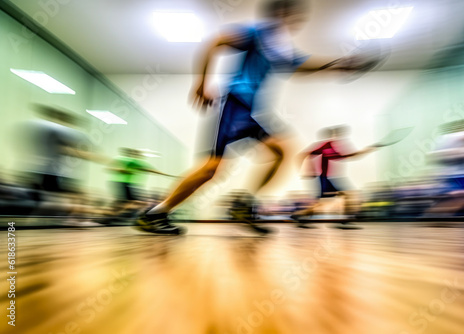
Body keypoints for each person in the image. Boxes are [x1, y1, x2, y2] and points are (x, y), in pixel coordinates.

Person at [136, 0, 378, 235]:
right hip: (236, 103)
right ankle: (156, 214)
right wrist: (201, 82)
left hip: (247, 111)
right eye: (294, 16)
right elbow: (217, 41)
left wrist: (339, 65)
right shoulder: (258, 32)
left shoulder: (278, 47)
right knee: (212, 169)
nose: (297, 21)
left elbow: (301, 65)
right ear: (281, 14)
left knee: (278, 150)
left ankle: (243, 205)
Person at [292, 125, 375, 227]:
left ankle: (299, 216)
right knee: (346, 195)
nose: (339, 135)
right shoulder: (326, 146)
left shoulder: (334, 148)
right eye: (338, 133)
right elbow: (303, 155)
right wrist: (307, 170)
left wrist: (367, 150)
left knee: (337, 198)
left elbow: (350, 155)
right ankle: (345, 221)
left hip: (331, 178)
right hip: (326, 178)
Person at [98, 148, 177, 224]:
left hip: (127, 184)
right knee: (128, 202)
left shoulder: (136, 162)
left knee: (128, 202)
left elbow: (150, 169)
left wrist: (167, 175)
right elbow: (110, 168)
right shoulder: (124, 160)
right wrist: (120, 170)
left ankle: (111, 216)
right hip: (121, 183)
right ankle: (109, 216)